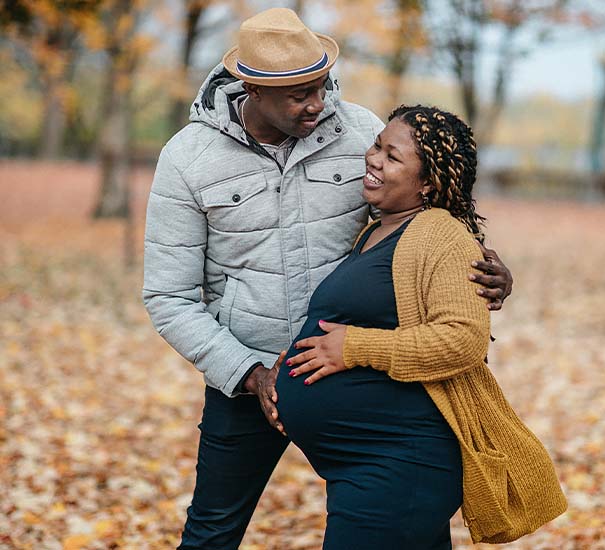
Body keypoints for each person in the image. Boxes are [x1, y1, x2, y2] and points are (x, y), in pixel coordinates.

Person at [142, 8, 513, 550]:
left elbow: (424, 229)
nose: (318, 103)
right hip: (248, 377)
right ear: (253, 88)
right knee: (210, 533)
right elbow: (169, 297)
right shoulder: (187, 160)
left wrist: (488, 274)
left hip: (366, 380)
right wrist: (250, 373)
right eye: (299, 95)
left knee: (408, 522)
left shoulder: (360, 131)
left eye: (322, 86)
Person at [278, 105, 567, 549]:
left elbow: (463, 339)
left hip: (400, 461)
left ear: (427, 183)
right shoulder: (376, 230)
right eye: (377, 145)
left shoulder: (440, 234)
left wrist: (354, 347)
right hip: (374, 464)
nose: (374, 158)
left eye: (392, 157)